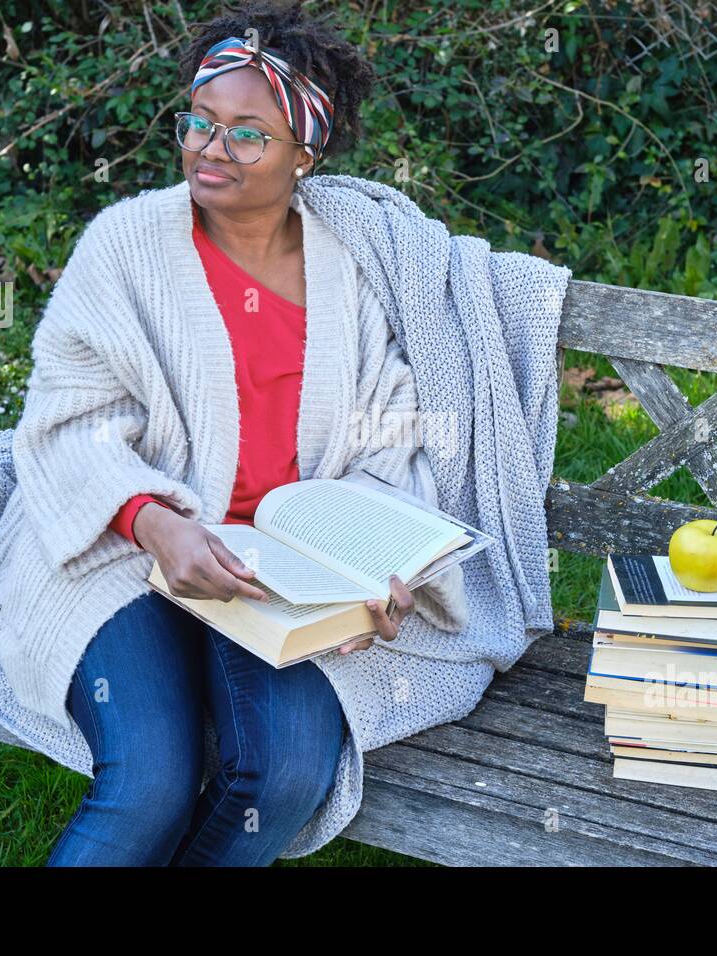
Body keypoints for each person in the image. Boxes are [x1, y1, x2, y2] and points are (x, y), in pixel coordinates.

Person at [33, 1, 468, 866]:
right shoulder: (127, 247)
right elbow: (66, 423)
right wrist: (153, 520)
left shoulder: (350, 270)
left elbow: (390, 433)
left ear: (304, 155)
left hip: (280, 575)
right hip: (132, 554)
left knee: (286, 772)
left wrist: (367, 571)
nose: (209, 149)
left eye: (246, 134)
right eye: (199, 123)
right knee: (149, 780)